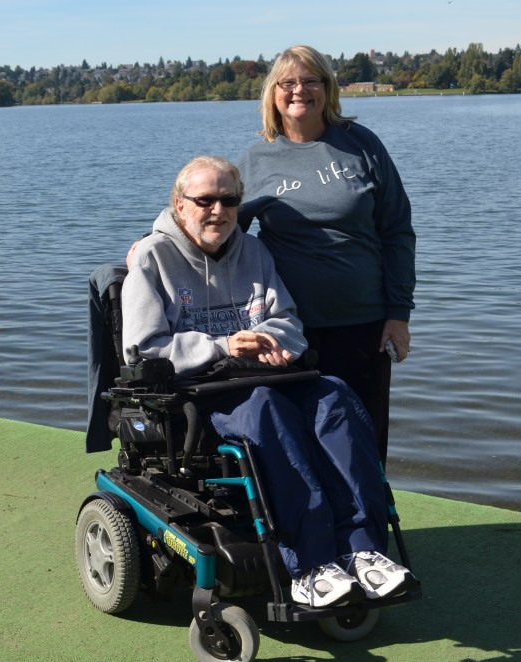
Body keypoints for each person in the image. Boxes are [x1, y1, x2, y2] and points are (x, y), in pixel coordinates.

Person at [123, 155, 416, 608]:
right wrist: (224, 346)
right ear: (180, 205)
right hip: (200, 391)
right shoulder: (151, 257)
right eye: (204, 201)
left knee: (335, 396)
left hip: (265, 373)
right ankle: (309, 563)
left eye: (229, 200)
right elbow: (143, 347)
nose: (217, 210)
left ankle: (364, 550)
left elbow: (288, 321)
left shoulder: (254, 251)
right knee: (266, 408)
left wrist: (268, 338)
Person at [236, 45, 416, 464]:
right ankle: (308, 529)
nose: (300, 90)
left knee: (362, 440)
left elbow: (398, 233)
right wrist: (156, 242)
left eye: (310, 80)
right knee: (297, 441)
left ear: (327, 88)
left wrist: (398, 314)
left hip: (363, 324)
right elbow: (217, 228)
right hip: (286, 328)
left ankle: (366, 526)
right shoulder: (256, 160)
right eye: (288, 83)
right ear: (273, 94)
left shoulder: (361, 145)